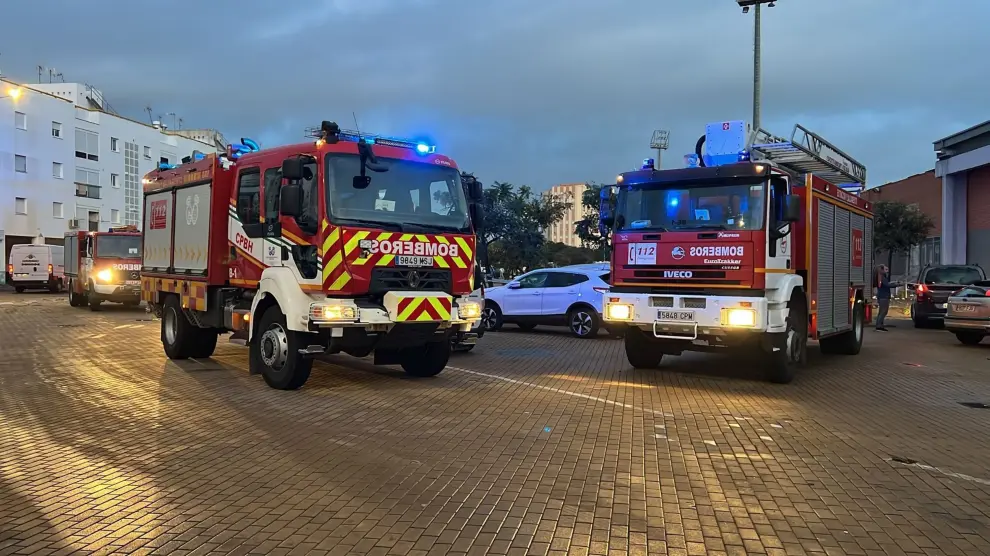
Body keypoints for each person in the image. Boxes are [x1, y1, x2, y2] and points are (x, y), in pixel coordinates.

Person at [875, 264, 892, 331]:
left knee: (881, 311)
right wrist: (898, 284)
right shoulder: (882, 277)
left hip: (881, 296)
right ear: (881, 270)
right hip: (884, 296)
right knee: (883, 311)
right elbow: (887, 285)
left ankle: (880, 325)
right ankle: (879, 325)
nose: (887, 271)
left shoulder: (879, 277)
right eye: (885, 270)